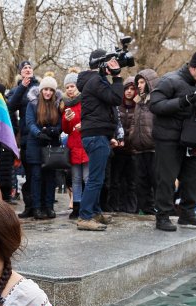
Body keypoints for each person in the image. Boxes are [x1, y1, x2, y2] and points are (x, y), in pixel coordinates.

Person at [149, 49, 196, 231]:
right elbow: (154, 105)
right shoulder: (169, 80)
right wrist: (183, 101)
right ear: (193, 67)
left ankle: (187, 214)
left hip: (188, 140)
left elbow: (194, 110)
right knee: (167, 178)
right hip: (167, 139)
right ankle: (162, 216)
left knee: (193, 175)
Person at [75, 49, 124, 231]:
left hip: (97, 134)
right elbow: (116, 98)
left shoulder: (96, 80)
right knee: (95, 178)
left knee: (98, 177)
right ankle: (85, 216)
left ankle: (94, 212)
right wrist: (118, 78)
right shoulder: (95, 81)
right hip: (95, 135)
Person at [25, 76, 62, 219]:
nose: (47, 92)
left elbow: (59, 124)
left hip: (51, 145)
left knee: (50, 178)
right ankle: (37, 208)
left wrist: (53, 131)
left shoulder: (57, 105)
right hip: (35, 144)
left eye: (51, 90)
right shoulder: (33, 104)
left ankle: (49, 206)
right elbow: (30, 122)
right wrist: (39, 133)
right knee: (36, 177)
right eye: (45, 89)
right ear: (41, 90)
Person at [8, 61, 39, 218]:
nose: (27, 69)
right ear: (20, 73)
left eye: (29, 67)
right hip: (26, 138)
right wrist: (22, 87)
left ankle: (40, 205)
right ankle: (30, 206)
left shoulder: (40, 87)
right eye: (24, 68)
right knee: (28, 173)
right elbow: (10, 107)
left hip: (41, 136)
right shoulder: (18, 89)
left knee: (38, 173)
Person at [130, 68, 158, 216]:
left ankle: (159, 210)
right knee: (141, 183)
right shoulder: (138, 101)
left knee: (156, 181)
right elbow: (134, 122)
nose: (139, 85)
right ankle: (146, 210)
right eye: (138, 82)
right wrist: (132, 136)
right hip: (139, 149)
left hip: (153, 148)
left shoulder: (157, 99)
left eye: (142, 82)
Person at [108, 76, 137, 213]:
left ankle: (130, 208)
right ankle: (115, 206)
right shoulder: (116, 105)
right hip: (117, 150)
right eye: (127, 89)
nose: (129, 91)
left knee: (131, 182)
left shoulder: (139, 107)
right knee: (115, 181)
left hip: (132, 150)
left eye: (132, 89)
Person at [61, 72, 88, 219]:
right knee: (76, 179)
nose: (70, 89)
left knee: (87, 178)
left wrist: (83, 125)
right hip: (74, 145)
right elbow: (65, 129)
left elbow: (90, 119)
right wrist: (66, 119)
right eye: (67, 87)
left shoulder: (85, 101)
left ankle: (88, 205)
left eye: (72, 86)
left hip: (85, 144)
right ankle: (76, 207)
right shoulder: (66, 103)